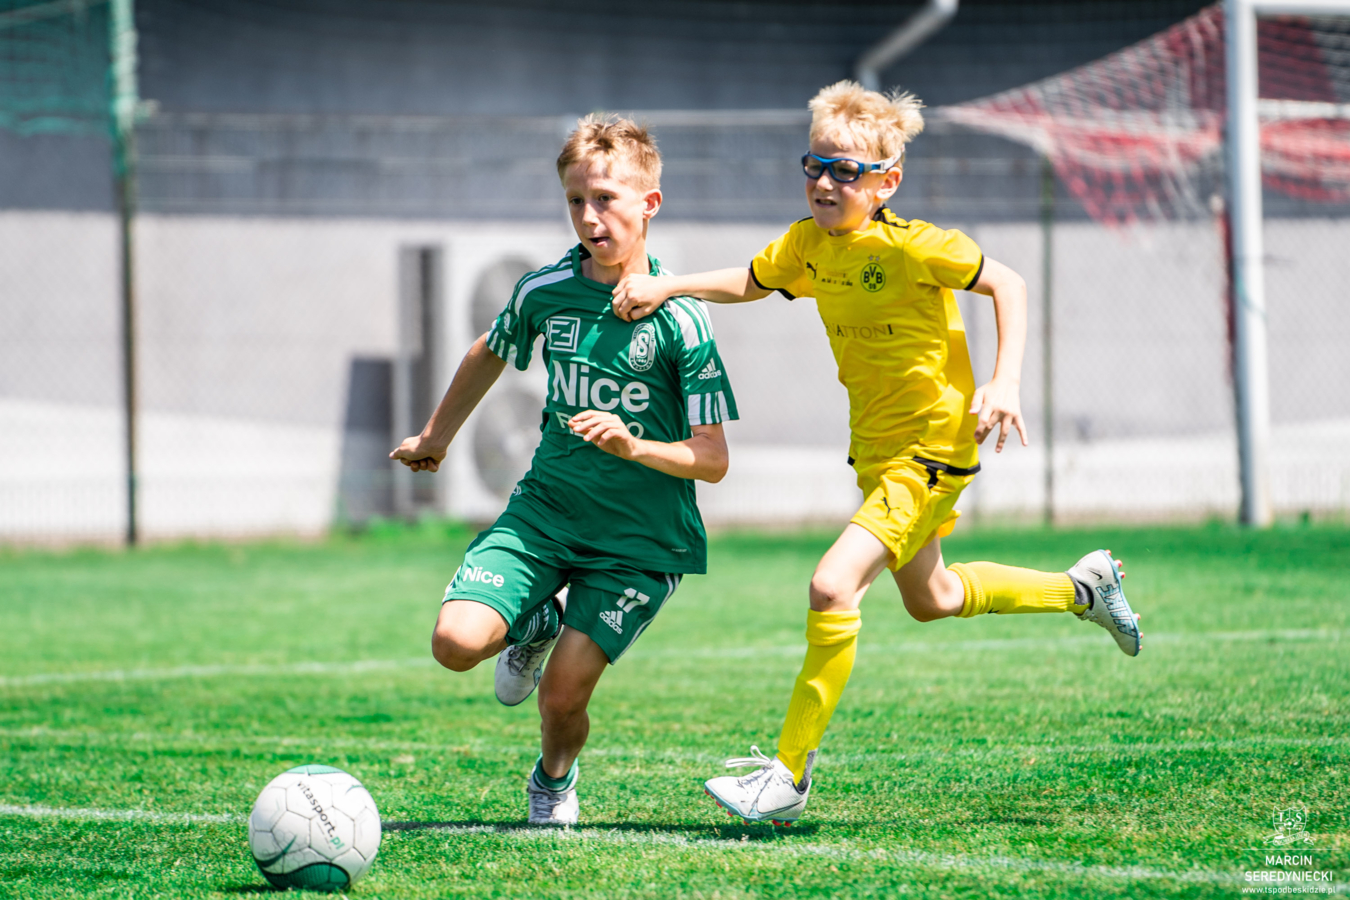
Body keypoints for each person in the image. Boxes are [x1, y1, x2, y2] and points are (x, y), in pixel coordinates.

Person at [610, 81, 1140, 826]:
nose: (825, 183)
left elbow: (1009, 283)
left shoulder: (915, 245)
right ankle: (1083, 589)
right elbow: (754, 281)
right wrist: (669, 287)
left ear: (887, 182)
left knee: (832, 587)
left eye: (846, 171)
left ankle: (788, 775)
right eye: (814, 166)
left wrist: (1005, 381)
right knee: (934, 598)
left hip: (933, 448)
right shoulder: (807, 243)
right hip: (876, 452)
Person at [390, 115, 738, 826]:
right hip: (546, 513)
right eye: (576, 200)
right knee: (454, 644)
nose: (589, 216)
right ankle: (538, 617)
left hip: (640, 542)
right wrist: (435, 436)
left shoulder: (683, 320)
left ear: (650, 203)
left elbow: (712, 459)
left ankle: (552, 780)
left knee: (561, 696)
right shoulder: (544, 290)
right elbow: (491, 348)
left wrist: (634, 447)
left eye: (606, 199)